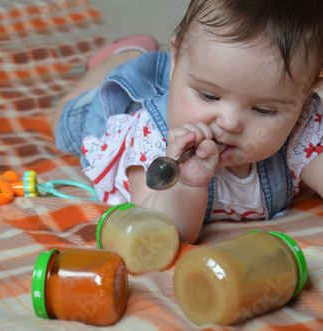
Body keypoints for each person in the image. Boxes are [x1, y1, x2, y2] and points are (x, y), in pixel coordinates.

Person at [51, 0, 323, 244]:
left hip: (194, 75)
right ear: (176, 58)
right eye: (208, 95)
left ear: (304, 97)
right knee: (64, 121)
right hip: (119, 110)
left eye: (263, 110)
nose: (228, 123)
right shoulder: (154, 134)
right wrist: (188, 183)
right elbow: (155, 232)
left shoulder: (301, 126)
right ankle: (124, 55)